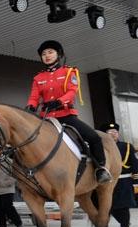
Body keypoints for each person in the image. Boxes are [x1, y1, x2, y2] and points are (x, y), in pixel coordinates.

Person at [26, 40, 111, 184]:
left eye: (50, 52)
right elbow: (34, 96)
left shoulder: (69, 72)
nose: (47, 56)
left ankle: (101, 169)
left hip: (66, 116)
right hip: (46, 118)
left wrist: (59, 102)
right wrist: (31, 106)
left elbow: (72, 91)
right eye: (44, 54)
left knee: (94, 137)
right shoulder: (38, 78)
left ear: (58, 54)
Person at [99, 121, 138, 227]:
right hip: (108, 181)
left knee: (124, 206)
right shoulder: (101, 147)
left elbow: (135, 163)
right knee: (110, 207)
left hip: (124, 181)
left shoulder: (126, 146)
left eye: (115, 132)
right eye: (110, 132)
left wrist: (137, 181)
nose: (113, 134)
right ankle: (124, 222)